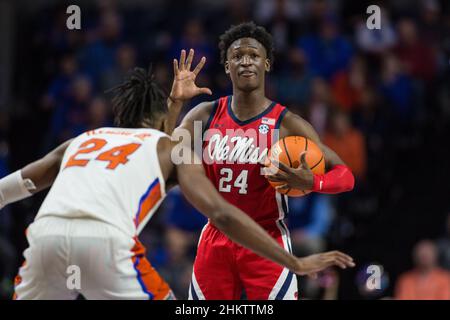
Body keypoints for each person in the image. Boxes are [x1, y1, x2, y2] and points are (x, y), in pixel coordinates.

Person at [0, 56, 354, 300]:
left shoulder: (83, 140)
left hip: (44, 236)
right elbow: (222, 213)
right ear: (160, 118)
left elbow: (21, 184)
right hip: (105, 241)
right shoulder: (169, 148)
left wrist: (173, 103)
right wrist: (294, 262)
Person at [168, 22, 355, 300]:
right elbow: (164, 162)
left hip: (267, 238)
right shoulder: (203, 116)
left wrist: (313, 181)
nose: (246, 62)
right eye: (237, 56)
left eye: (254, 55)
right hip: (216, 237)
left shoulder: (287, 123)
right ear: (227, 66)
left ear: (266, 64)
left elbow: (346, 176)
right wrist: (174, 103)